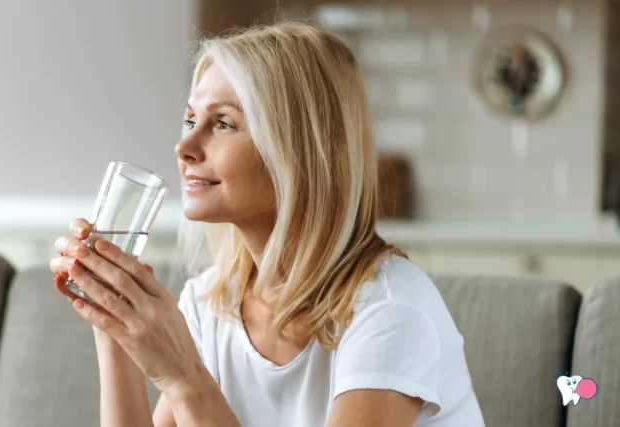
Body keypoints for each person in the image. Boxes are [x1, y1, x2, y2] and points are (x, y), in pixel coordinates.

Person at [48, 22, 484, 426]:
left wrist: (182, 377)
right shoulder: (210, 302)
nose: (185, 145)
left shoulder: (389, 310)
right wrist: (112, 326)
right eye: (189, 119)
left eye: (222, 123)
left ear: (299, 150)